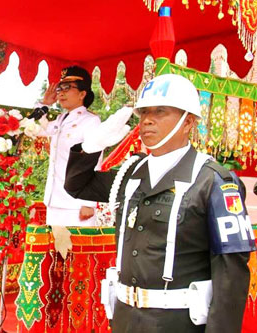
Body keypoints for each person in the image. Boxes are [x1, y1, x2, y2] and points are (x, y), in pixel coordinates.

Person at [64, 74, 255, 332]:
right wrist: (91, 146)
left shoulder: (213, 180)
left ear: (188, 122)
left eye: (160, 111)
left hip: (178, 323)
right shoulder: (130, 174)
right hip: (125, 320)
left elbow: (231, 272)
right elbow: (77, 186)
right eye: (143, 113)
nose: (147, 120)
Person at [32, 65, 102, 232]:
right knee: (56, 253)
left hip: (76, 204)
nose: (61, 93)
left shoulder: (91, 121)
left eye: (67, 88)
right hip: (55, 198)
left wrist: (89, 203)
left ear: (82, 94)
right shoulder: (61, 119)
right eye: (60, 88)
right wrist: (44, 105)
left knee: (76, 253)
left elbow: (95, 162)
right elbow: (37, 129)